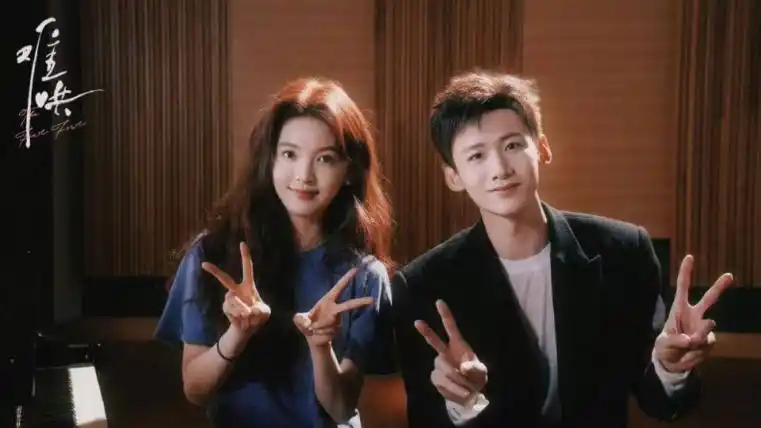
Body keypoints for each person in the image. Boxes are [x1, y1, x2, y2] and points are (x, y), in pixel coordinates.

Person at [390, 69, 734, 427]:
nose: (500, 169)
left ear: (542, 148)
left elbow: (657, 401)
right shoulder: (423, 285)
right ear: (453, 176)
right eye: (476, 156)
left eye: (512, 146)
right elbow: (426, 420)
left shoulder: (622, 253)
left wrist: (669, 368)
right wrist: (464, 403)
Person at [154, 77, 396, 428]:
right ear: (269, 160)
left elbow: (342, 409)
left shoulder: (364, 276)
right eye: (289, 154)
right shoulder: (213, 256)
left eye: (325, 159)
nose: (304, 176)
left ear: (349, 171)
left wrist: (320, 346)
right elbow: (195, 390)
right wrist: (237, 334)